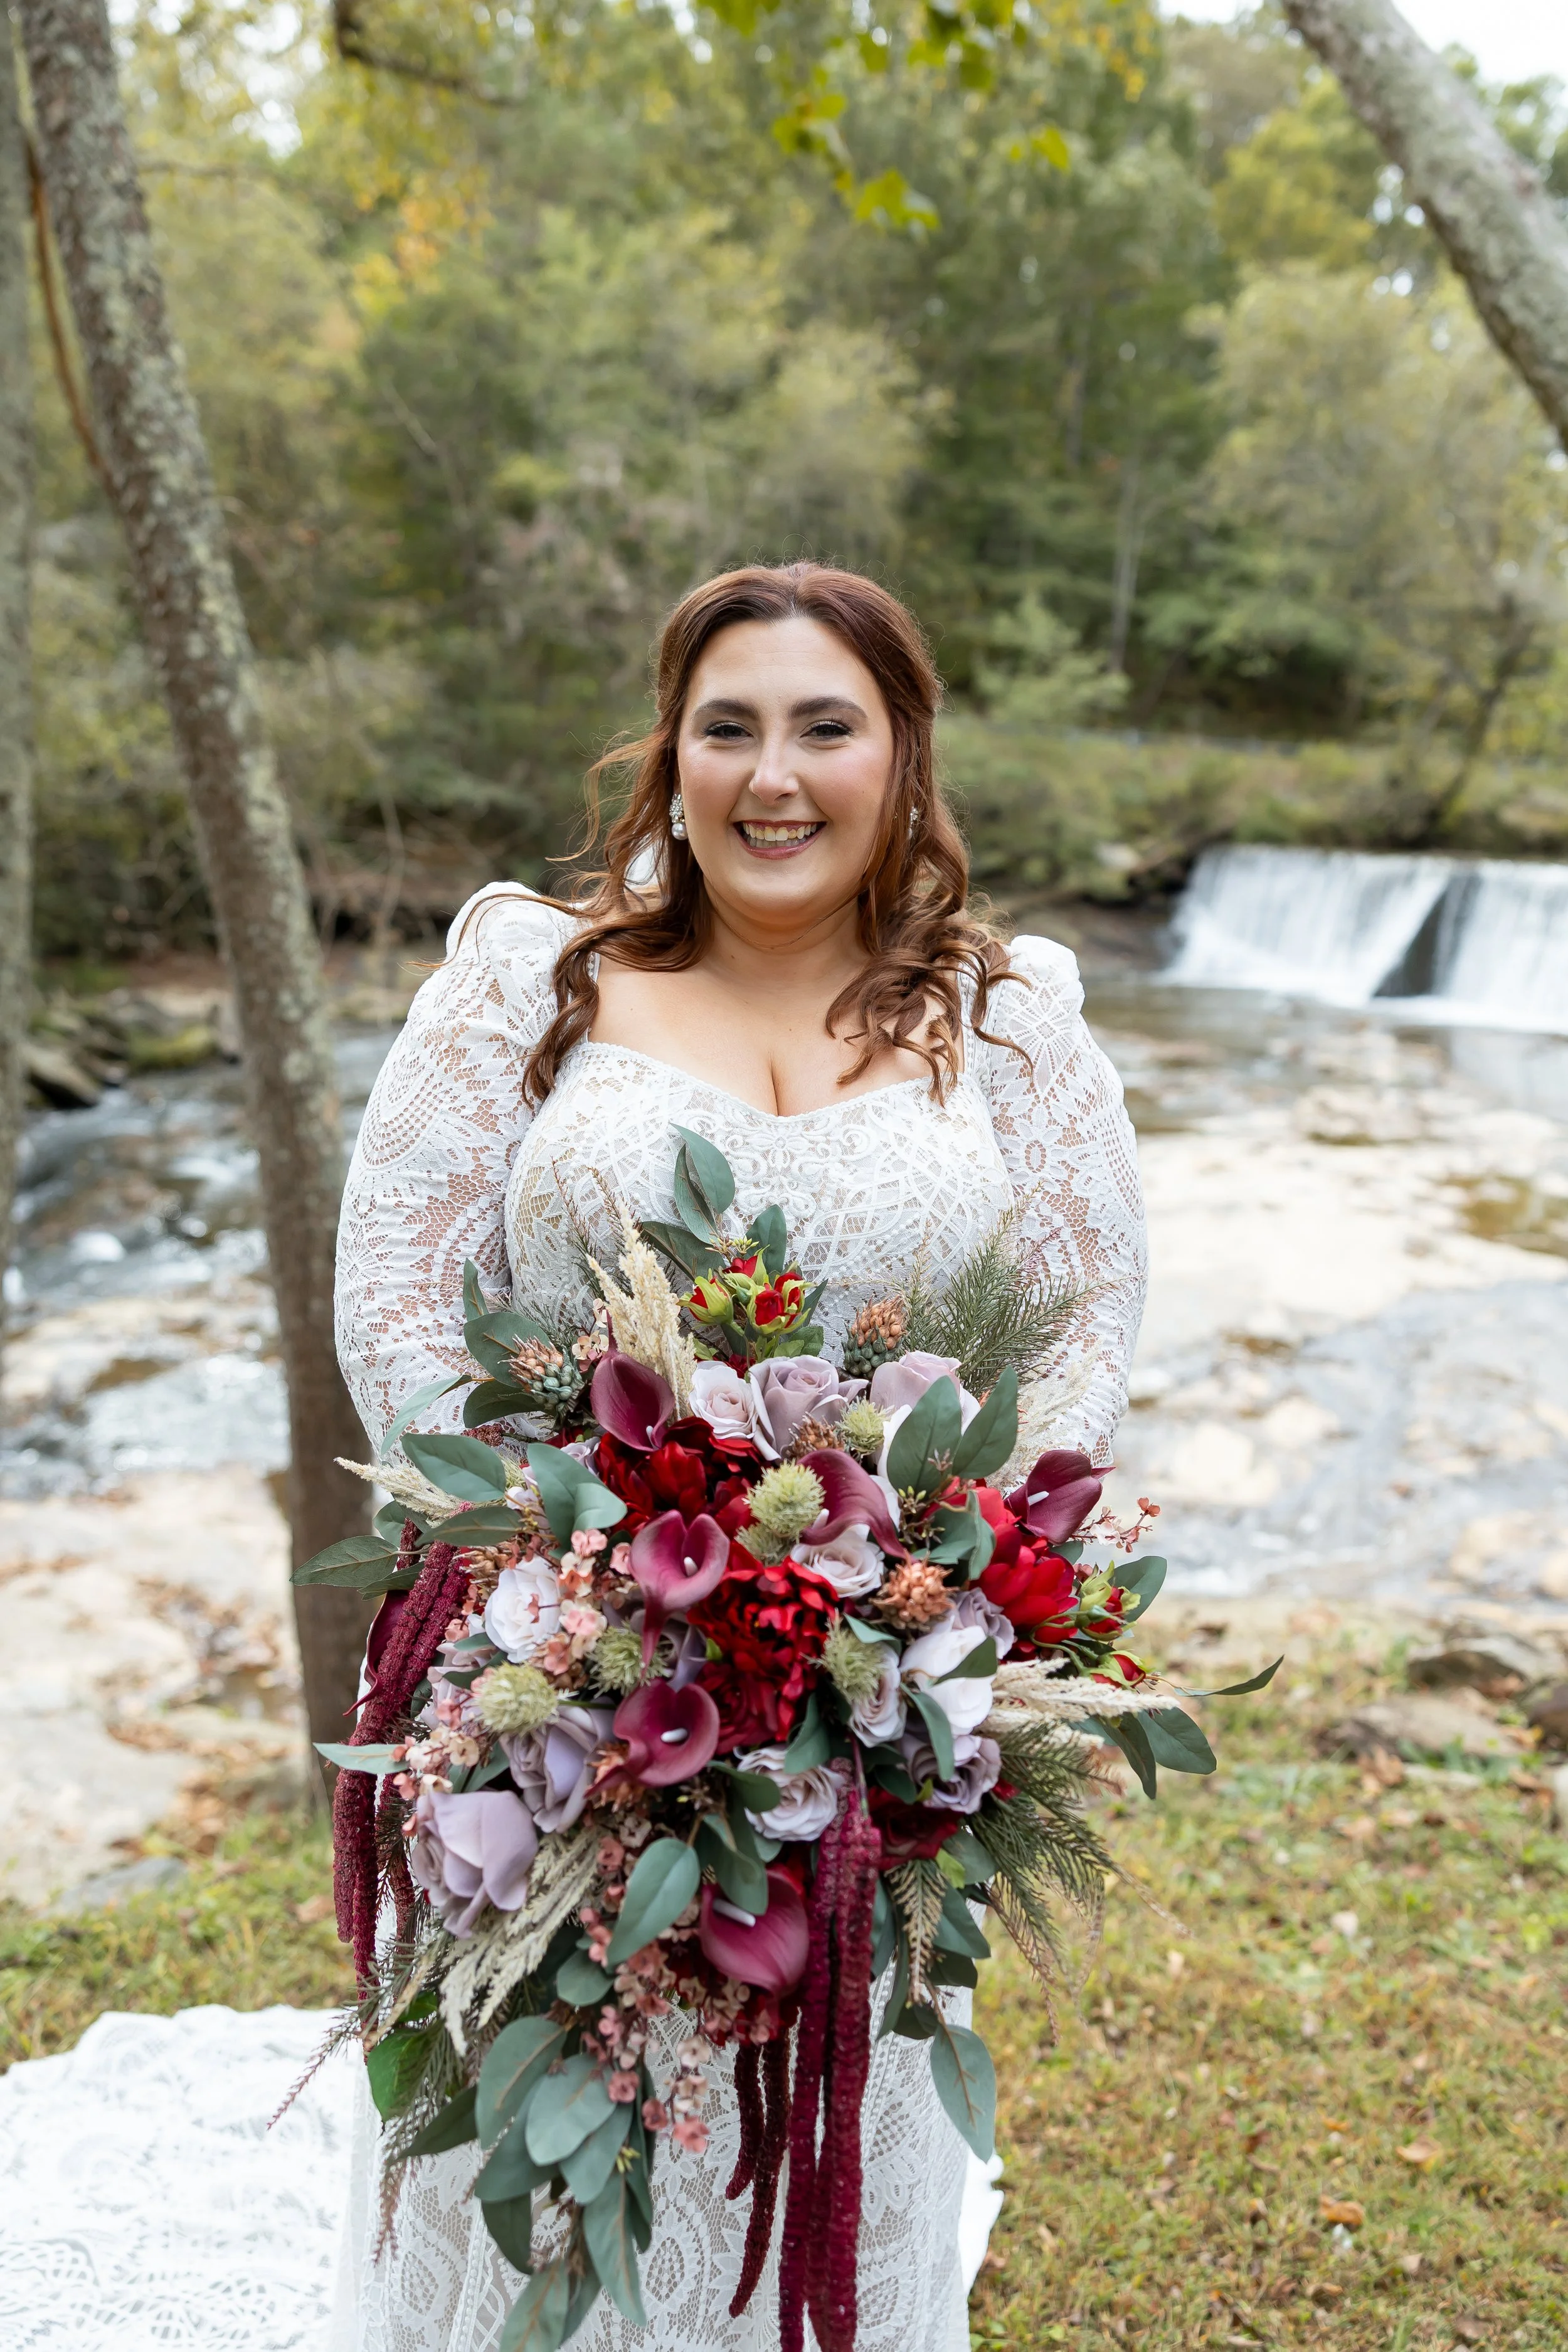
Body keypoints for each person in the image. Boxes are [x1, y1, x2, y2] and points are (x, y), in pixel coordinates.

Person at [330, 561, 1147, 2352]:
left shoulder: (1007, 1022)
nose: (774, 776)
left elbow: (1082, 1318)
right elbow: (396, 1301)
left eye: (824, 726)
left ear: (903, 754)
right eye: (729, 727)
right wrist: (563, 1580)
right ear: (672, 757)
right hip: (566, 1680)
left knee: (829, 2109)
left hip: (876, 1685)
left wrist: (963, 1567)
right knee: (566, 2131)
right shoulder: (529, 985)